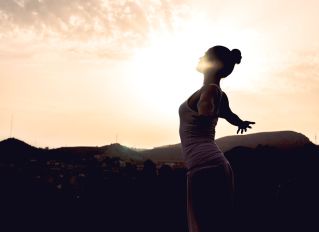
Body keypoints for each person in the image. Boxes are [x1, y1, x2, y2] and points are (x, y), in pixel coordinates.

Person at [178, 45, 255, 232]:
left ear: (211, 63)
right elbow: (229, 115)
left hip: (206, 167)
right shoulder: (215, 91)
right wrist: (240, 123)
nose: (199, 57)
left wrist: (207, 112)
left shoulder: (210, 91)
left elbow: (208, 107)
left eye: (203, 55)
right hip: (208, 166)